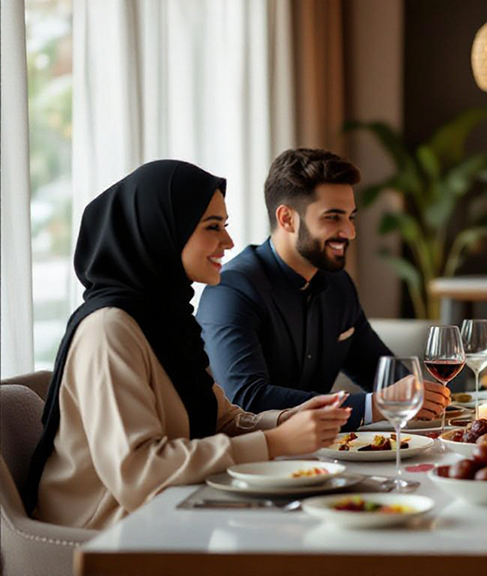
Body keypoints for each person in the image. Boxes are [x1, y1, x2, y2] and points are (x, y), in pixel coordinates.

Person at [27, 161, 349, 529]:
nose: (228, 242)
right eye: (212, 227)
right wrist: (275, 443)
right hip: (107, 535)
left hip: (170, 512)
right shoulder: (109, 329)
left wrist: (288, 420)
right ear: (160, 230)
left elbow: (220, 420)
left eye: (225, 227)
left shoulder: (166, 319)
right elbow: (138, 472)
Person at [197, 148, 448, 427]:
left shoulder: (338, 284)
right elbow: (247, 399)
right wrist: (377, 405)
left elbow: (384, 374)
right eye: (333, 217)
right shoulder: (231, 290)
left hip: (329, 456)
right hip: (256, 462)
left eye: (351, 217)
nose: (349, 232)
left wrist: (428, 397)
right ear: (287, 219)